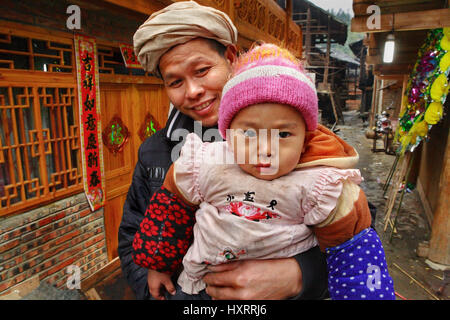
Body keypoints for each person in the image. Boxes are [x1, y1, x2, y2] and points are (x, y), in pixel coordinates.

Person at [132, 43, 395, 300]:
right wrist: (157, 265)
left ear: (306, 139)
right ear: (227, 136)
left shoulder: (321, 183)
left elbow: (351, 251)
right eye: (248, 133)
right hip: (197, 289)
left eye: (283, 134)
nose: (265, 150)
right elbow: (169, 209)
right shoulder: (201, 163)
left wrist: (304, 275)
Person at [118, 1, 328, 300]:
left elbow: (351, 229)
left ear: (230, 56)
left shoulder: (292, 137)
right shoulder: (155, 152)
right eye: (175, 81)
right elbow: (130, 238)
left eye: (202, 70)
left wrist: (300, 275)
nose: (192, 91)